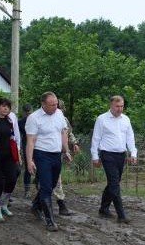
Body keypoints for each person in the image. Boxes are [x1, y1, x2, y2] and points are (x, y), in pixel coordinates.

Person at [26, 91, 71, 232]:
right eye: (52, 104)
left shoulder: (59, 114)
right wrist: (29, 161)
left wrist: (66, 150)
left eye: (56, 104)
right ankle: (50, 221)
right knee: (45, 187)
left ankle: (35, 206)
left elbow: (63, 133)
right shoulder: (34, 118)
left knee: (51, 185)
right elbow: (30, 141)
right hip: (42, 154)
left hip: (56, 154)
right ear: (43, 104)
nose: (55, 106)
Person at [90, 95, 137, 224]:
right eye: (117, 106)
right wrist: (95, 156)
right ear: (111, 105)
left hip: (121, 155)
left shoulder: (126, 119)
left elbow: (130, 138)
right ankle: (121, 215)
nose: (120, 109)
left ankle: (103, 208)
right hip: (107, 155)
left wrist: (133, 153)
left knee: (113, 183)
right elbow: (96, 138)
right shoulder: (102, 119)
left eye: (122, 106)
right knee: (115, 183)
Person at [51, 99, 80, 216]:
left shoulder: (64, 120)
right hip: (47, 153)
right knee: (54, 180)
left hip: (60, 152)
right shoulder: (46, 119)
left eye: (61, 108)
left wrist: (74, 143)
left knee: (53, 179)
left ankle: (38, 203)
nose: (59, 111)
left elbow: (69, 132)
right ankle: (61, 204)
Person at [17, 104, 33, 198]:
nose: (28, 115)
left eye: (29, 113)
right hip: (26, 145)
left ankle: (36, 187)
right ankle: (27, 190)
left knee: (36, 167)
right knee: (28, 168)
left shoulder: (36, 120)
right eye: (27, 113)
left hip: (36, 145)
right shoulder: (21, 122)